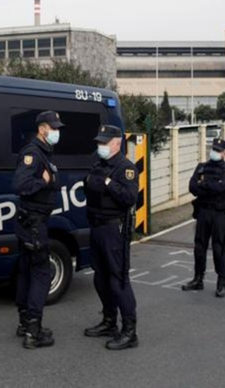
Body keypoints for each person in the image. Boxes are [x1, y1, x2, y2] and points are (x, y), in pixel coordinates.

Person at [83, 125, 140, 350]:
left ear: (117, 143)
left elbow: (129, 197)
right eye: (99, 142)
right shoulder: (98, 165)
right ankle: (109, 321)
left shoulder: (126, 168)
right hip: (96, 227)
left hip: (113, 230)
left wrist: (108, 183)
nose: (100, 146)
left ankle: (130, 331)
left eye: (104, 143)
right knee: (100, 278)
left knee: (118, 280)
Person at [12, 110, 64, 349]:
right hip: (33, 223)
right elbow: (20, 185)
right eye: (53, 128)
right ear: (42, 128)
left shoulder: (44, 152)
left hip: (30, 222)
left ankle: (24, 322)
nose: (57, 132)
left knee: (26, 270)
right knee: (41, 273)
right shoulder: (33, 153)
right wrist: (43, 181)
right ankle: (34, 330)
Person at [181, 137, 225, 297]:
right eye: (214, 150)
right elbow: (192, 187)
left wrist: (203, 185)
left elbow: (220, 188)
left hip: (219, 213)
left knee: (219, 247)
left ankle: (221, 282)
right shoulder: (201, 167)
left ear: (224, 153)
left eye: (218, 151)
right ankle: (198, 279)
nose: (215, 153)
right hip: (203, 211)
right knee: (199, 246)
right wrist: (208, 187)